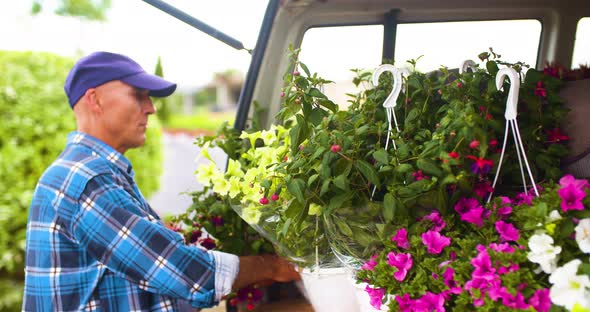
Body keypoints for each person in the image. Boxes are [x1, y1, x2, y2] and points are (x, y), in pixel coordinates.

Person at [22, 51, 300, 311]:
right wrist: (272, 267)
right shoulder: (86, 179)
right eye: (139, 96)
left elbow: (147, 278)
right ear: (95, 100)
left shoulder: (93, 171)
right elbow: (183, 273)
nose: (151, 108)